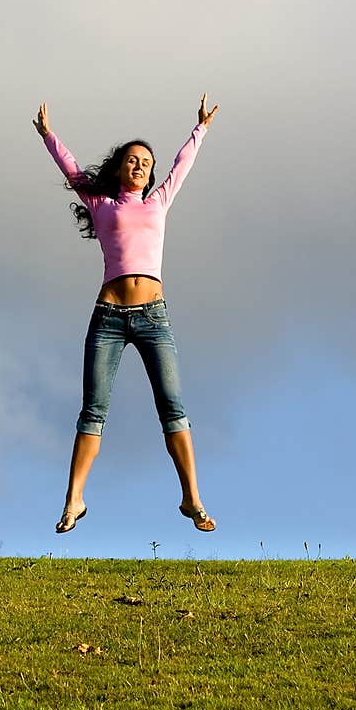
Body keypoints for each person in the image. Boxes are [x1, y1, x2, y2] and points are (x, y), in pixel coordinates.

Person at [33, 93, 220, 536]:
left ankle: (191, 497)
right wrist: (48, 135)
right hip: (109, 317)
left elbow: (181, 168)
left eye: (145, 163)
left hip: (154, 317)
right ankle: (74, 500)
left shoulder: (157, 202)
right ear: (119, 167)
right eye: (132, 160)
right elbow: (72, 170)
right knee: (93, 412)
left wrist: (201, 129)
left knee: (173, 408)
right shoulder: (101, 205)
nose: (139, 166)